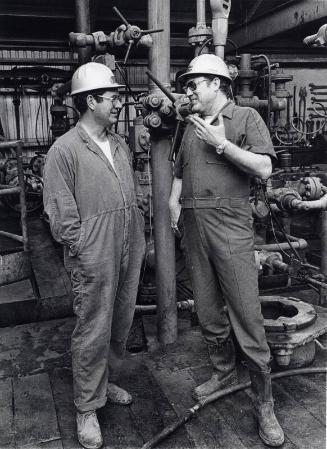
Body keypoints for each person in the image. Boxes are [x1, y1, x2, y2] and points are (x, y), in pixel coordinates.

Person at [169, 53, 284, 447]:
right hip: (193, 223)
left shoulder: (246, 119)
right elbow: (180, 172)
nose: (188, 91)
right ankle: (223, 371)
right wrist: (173, 202)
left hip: (231, 225)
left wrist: (221, 145)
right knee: (205, 306)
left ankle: (263, 402)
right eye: (187, 86)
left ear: (216, 84)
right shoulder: (188, 127)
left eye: (194, 84)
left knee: (245, 310)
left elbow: (265, 169)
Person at [43, 62, 145, 449]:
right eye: (112, 96)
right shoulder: (64, 150)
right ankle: (86, 407)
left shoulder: (118, 143)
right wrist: (84, 248)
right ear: (90, 101)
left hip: (128, 240)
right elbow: (59, 213)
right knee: (92, 327)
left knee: (121, 319)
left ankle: (105, 384)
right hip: (94, 251)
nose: (118, 102)